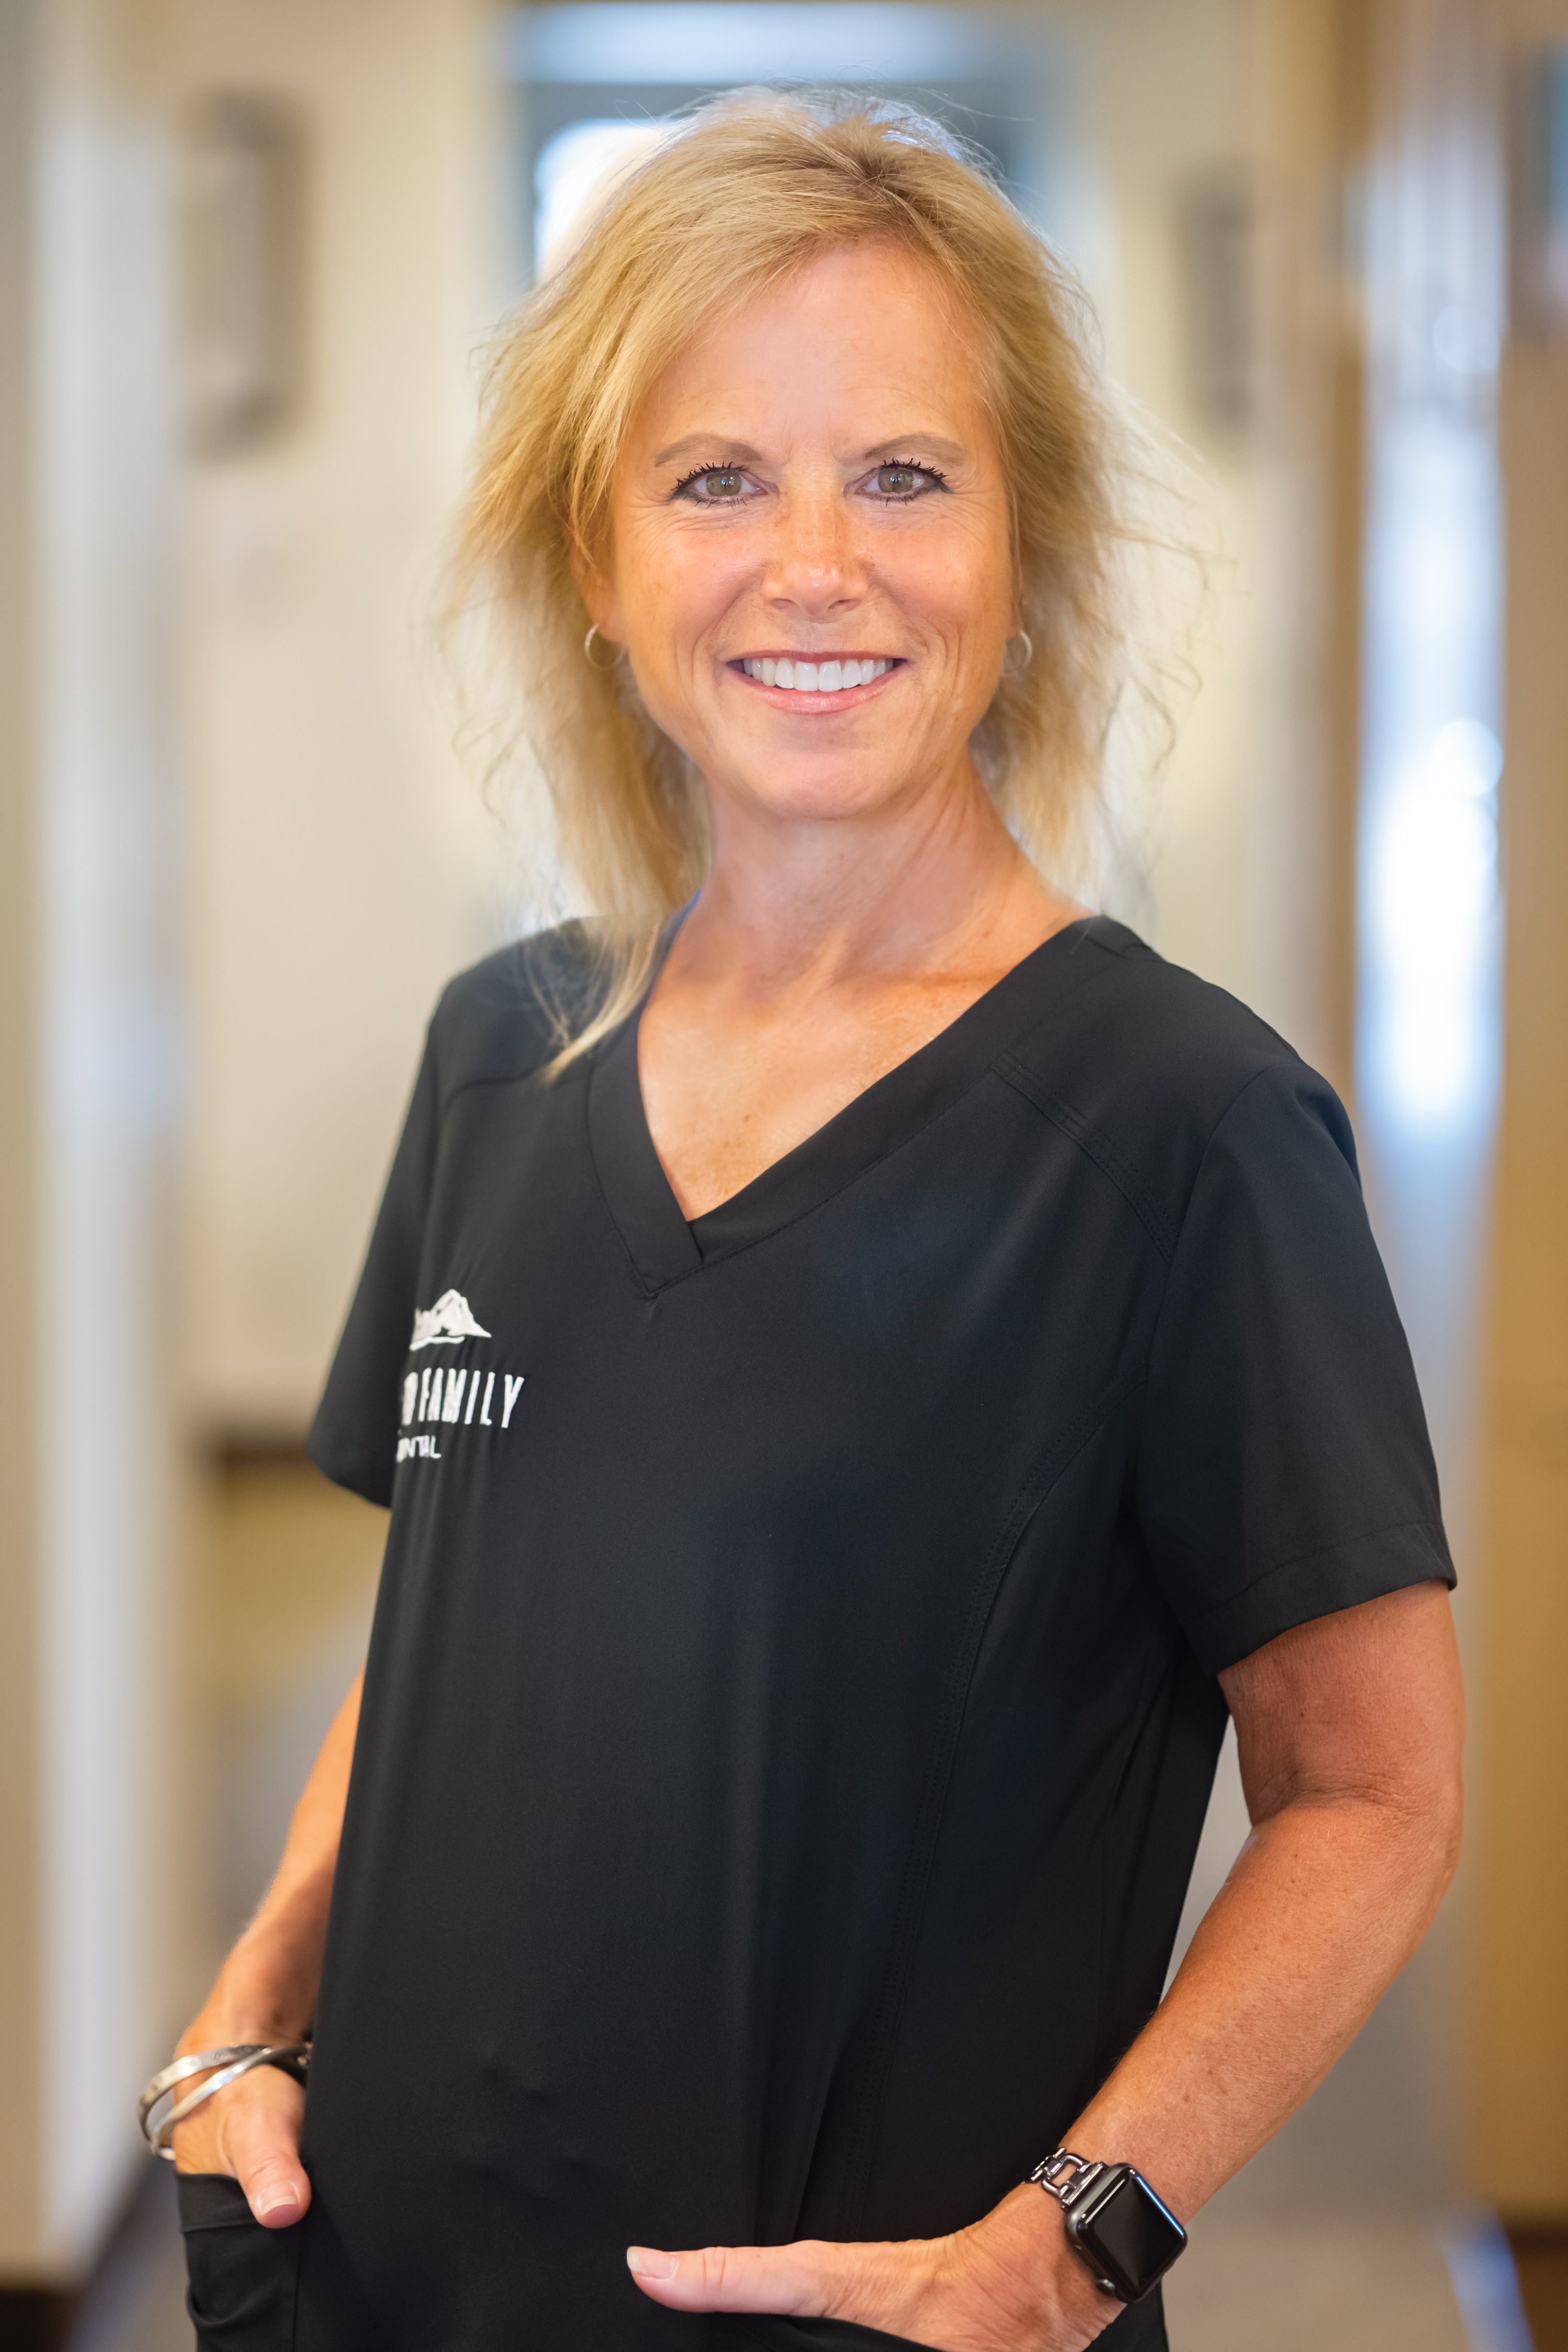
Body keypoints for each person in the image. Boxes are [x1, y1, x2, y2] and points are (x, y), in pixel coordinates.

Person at [158, 93, 1464, 2352]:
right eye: (716, 480)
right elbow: (454, 1620)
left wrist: (1070, 2247)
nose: (816, 566)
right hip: (375, 2280)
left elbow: (1372, 1793)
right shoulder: (502, 1047)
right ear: (597, 561)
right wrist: (249, 2004)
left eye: (905, 474)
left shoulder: (1183, 1127)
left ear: (1025, 544)